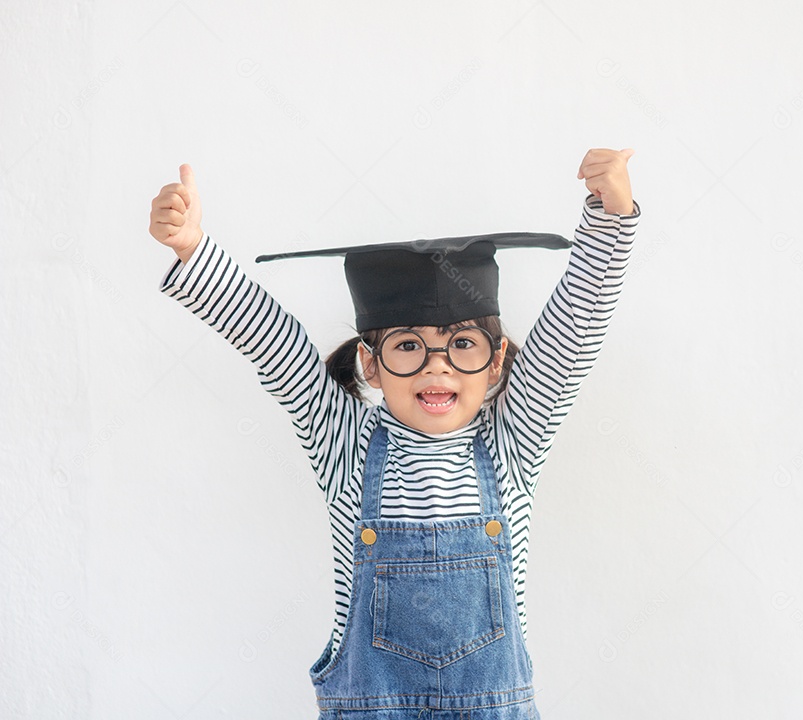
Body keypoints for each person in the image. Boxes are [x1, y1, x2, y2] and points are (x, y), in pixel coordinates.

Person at [148, 148, 639, 718]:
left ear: (497, 360)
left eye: (462, 343)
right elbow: (271, 342)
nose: (438, 366)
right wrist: (192, 250)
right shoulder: (345, 444)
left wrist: (610, 217)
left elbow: (573, 335)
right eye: (408, 345)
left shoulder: (512, 445)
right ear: (371, 364)